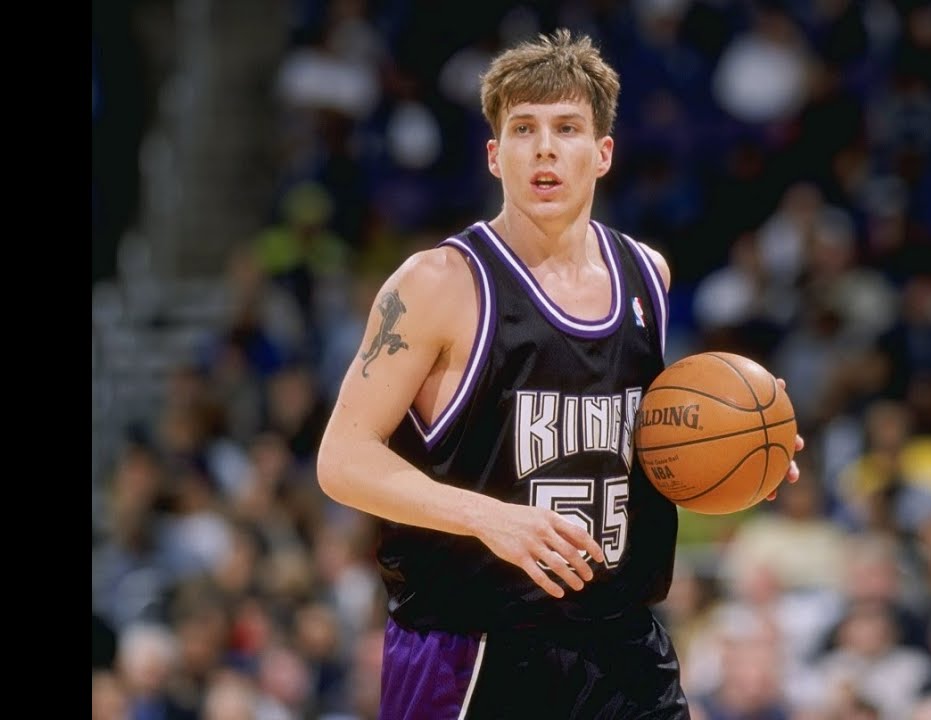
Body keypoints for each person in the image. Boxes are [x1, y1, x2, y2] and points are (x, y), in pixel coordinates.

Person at [316, 29, 804, 719]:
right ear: (495, 154)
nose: (544, 147)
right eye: (524, 129)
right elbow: (342, 460)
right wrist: (490, 518)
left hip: (621, 643)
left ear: (603, 153)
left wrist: (743, 450)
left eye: (567, 128)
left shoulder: (648, 274)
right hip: (473, 650)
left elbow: (628, 445)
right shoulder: (438, 283)